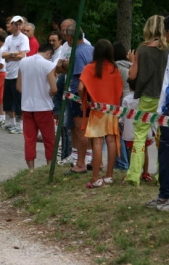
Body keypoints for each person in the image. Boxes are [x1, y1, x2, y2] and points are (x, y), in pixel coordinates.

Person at [124, 15, 169, 186]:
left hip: (146, 97)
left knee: (140, 136)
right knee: (163, 138)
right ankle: (161, 176)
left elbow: (132, 75)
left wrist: (133, 63)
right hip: (165, 99)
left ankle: (134, 175)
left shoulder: (142, 50)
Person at [78, 39, 123, 188]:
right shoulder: (114, 68)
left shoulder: (90, 68)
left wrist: (84, 101)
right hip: (111, 109)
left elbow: (80, 87)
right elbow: (120, 90)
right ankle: (109, 176)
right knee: (111, 141)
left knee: (97, 142)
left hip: (97, 109)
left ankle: (96, 178)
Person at [17, 43, 57, 171]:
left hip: (27, 106)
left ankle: (31, 169)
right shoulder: (48, 65)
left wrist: (29, 93)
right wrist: (49, 94)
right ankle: (49, 165)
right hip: (44, 107)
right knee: (49, 138)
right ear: (49, 53)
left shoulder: (23, 62)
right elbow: (54, 89)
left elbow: (18, 86)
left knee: (29, 139)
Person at [145, 14, 169, 210]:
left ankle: (167, 196)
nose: (164, 34)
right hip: (164, 112)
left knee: (168, 153)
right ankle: (164, 195)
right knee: (163, 153)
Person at [63, 23, 94, 175]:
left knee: (80, 130)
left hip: (79, 96)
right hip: (93, 95)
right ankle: (95, 161)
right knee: (92, 131)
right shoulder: (91, 49)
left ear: (70, 38)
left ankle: (80, 163)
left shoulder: (76, 53)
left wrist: (81, 99)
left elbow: (80, 77)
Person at [1, 15, 30, 134]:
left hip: (19, 73)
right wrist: (14, 54)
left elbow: (22, 55)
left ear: (22, 26)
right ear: (12, 25)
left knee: (19, 100)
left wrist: (10, 55)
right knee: (8, 99)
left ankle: (21, 125)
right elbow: (3, 55)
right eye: (15, 24)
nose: (17, 26)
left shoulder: (24, 38)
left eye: (19, 24)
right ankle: (12, 122)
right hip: (9, 72)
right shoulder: (8, 39)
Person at [122, 79, 154, 180]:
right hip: (144, 129)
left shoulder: (126, 99)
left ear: (130, 86)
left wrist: (122, 123)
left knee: (133, 152)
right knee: (145, 151)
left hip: (130, 130)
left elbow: (123, 116)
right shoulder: (145, 99)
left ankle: (133, 173)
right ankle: (145, 172)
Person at [113, 42, 132, 171]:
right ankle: (127, 163)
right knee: (128, 135)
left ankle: (122, 163)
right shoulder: (130, 67)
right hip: (130, 102)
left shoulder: (116, 68)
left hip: (119, 103)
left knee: (118, 135)